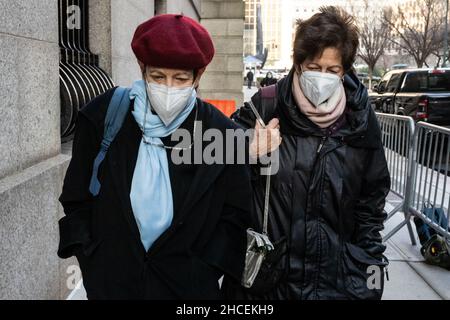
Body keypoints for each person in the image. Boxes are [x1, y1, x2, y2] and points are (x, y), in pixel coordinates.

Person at [57, 14, 251, 300]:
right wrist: (93, 262)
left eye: (181, 78)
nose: (168, 88)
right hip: (112, 288)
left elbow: (235, 217)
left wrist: (203, 270)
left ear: (199, 76)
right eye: (158, 76)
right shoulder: (103, 116)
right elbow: (76, 197)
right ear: (142, 68)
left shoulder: (224, 135)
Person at [227, 6, 390, 300]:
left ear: (345, 71)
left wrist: (372, 275)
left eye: (333, 70)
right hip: (270, 286)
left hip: (337, 285)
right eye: (314, 68)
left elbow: (372, 204)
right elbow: (215, 160)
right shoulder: (266, 106)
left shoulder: (361, 119)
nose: (322, 77)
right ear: (299, 63)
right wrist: (248, 149)